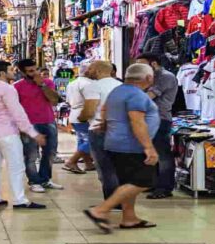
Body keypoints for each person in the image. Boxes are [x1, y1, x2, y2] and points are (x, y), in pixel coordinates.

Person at [84, 63, 160, 234]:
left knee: (128, 182)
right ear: (148, 78)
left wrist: (105, 124)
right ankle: (100, 210)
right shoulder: (136, 95)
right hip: (131, 146)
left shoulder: (118, 91)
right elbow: (137, 121)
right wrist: (148, 147)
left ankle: (129, 218)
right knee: (144, 181)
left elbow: (105, 109)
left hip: (115, 143)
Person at [0, 61, 47, 209]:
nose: (13, 71)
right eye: (10, 69)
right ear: (3, 73)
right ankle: (19, 199)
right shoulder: (8, 89)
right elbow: (17, 112)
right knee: (16, 166)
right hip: (7, 132)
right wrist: (32, 132)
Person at [14, 59, 64, 193]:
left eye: (36, 69)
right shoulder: (17, 87)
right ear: (23, 72)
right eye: (30, 71)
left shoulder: (47, 82)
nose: (35, 72)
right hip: (28, 124)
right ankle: (34, 181)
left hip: (48, 121)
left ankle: (45, 179)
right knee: (31, 154)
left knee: (50, 152)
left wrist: (41, 85)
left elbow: (54, 101)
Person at [78, 61, 122, 202]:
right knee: (118, 167)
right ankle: (120, 201)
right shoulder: (121, 86)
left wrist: (81, 117)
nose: (87, 71)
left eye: (90, 68)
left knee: (105, 168)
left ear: (97, 70)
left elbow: (90, 110)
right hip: (121, 130)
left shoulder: (94, 86)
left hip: (99, 129)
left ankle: (112, 202)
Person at [136, 53, 178, 200]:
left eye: (142, 64)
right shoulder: (147, 77)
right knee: (149, 153)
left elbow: (147, 97)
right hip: (146, 119)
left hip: (160, 119)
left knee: (163, 154)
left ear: (153, 64)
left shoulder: (166, 76)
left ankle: (164, 187)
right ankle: (153, 183)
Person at [63, 62, 95, 174]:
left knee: (82, 140)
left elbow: (67, 100)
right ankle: (72, 161)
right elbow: (91, 102)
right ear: (88, 71)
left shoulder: (72, 83)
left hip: (74, 114)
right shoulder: (89, 84)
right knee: (91, 140)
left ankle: (88, 164)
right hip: (84, 114)